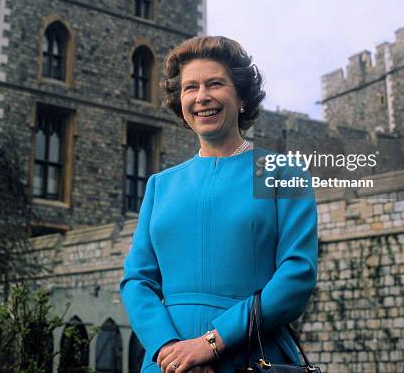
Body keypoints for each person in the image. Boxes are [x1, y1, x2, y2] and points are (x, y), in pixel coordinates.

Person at [120, 36, 318, 373]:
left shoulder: (282, 173)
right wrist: (171, 350)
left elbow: (297, 275)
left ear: (241, 96)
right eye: (190, 88)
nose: (202, 97)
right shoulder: (160, 185)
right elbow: (137, 280)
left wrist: (212, 342)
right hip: (168, 364)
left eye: (215, 84)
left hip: (250, 355)